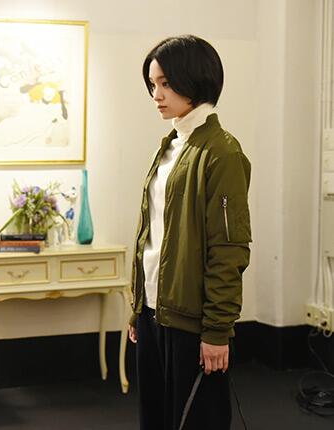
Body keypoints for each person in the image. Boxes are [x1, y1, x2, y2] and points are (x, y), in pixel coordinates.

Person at [128, 35, 252, 430]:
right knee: (156, 419)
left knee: (196, 421)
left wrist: (217, 331)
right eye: (153, 84)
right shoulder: (168, 147)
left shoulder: (222, 152)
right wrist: (138, 308)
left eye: (165, 83)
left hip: (191, 321)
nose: (156, 95)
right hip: (153, 312)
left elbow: (228, 250)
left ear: (194, 79)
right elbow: (152, 237)